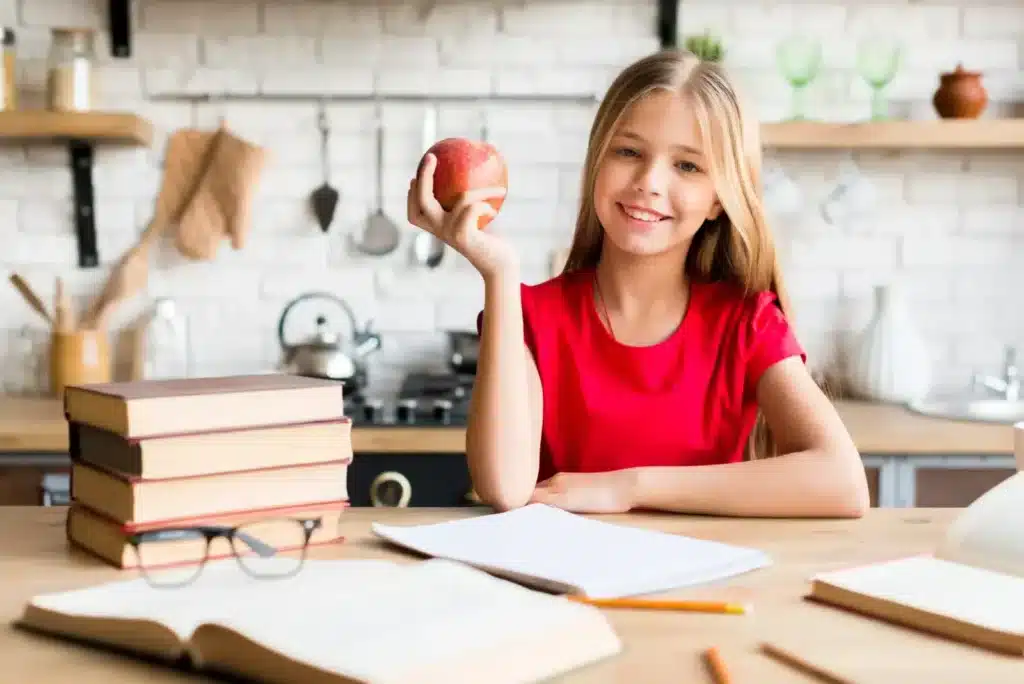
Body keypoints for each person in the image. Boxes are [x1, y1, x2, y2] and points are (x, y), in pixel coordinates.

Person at [407, 49, 870, 518]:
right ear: (596, 164)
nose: (649, 182)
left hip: (710, 586)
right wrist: (499, 273)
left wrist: (631, 486)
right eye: (629, 152)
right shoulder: (530, 318)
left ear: (718, 200)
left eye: (687, 166)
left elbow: (843, 483)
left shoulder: (747, 325)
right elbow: (504, 487)